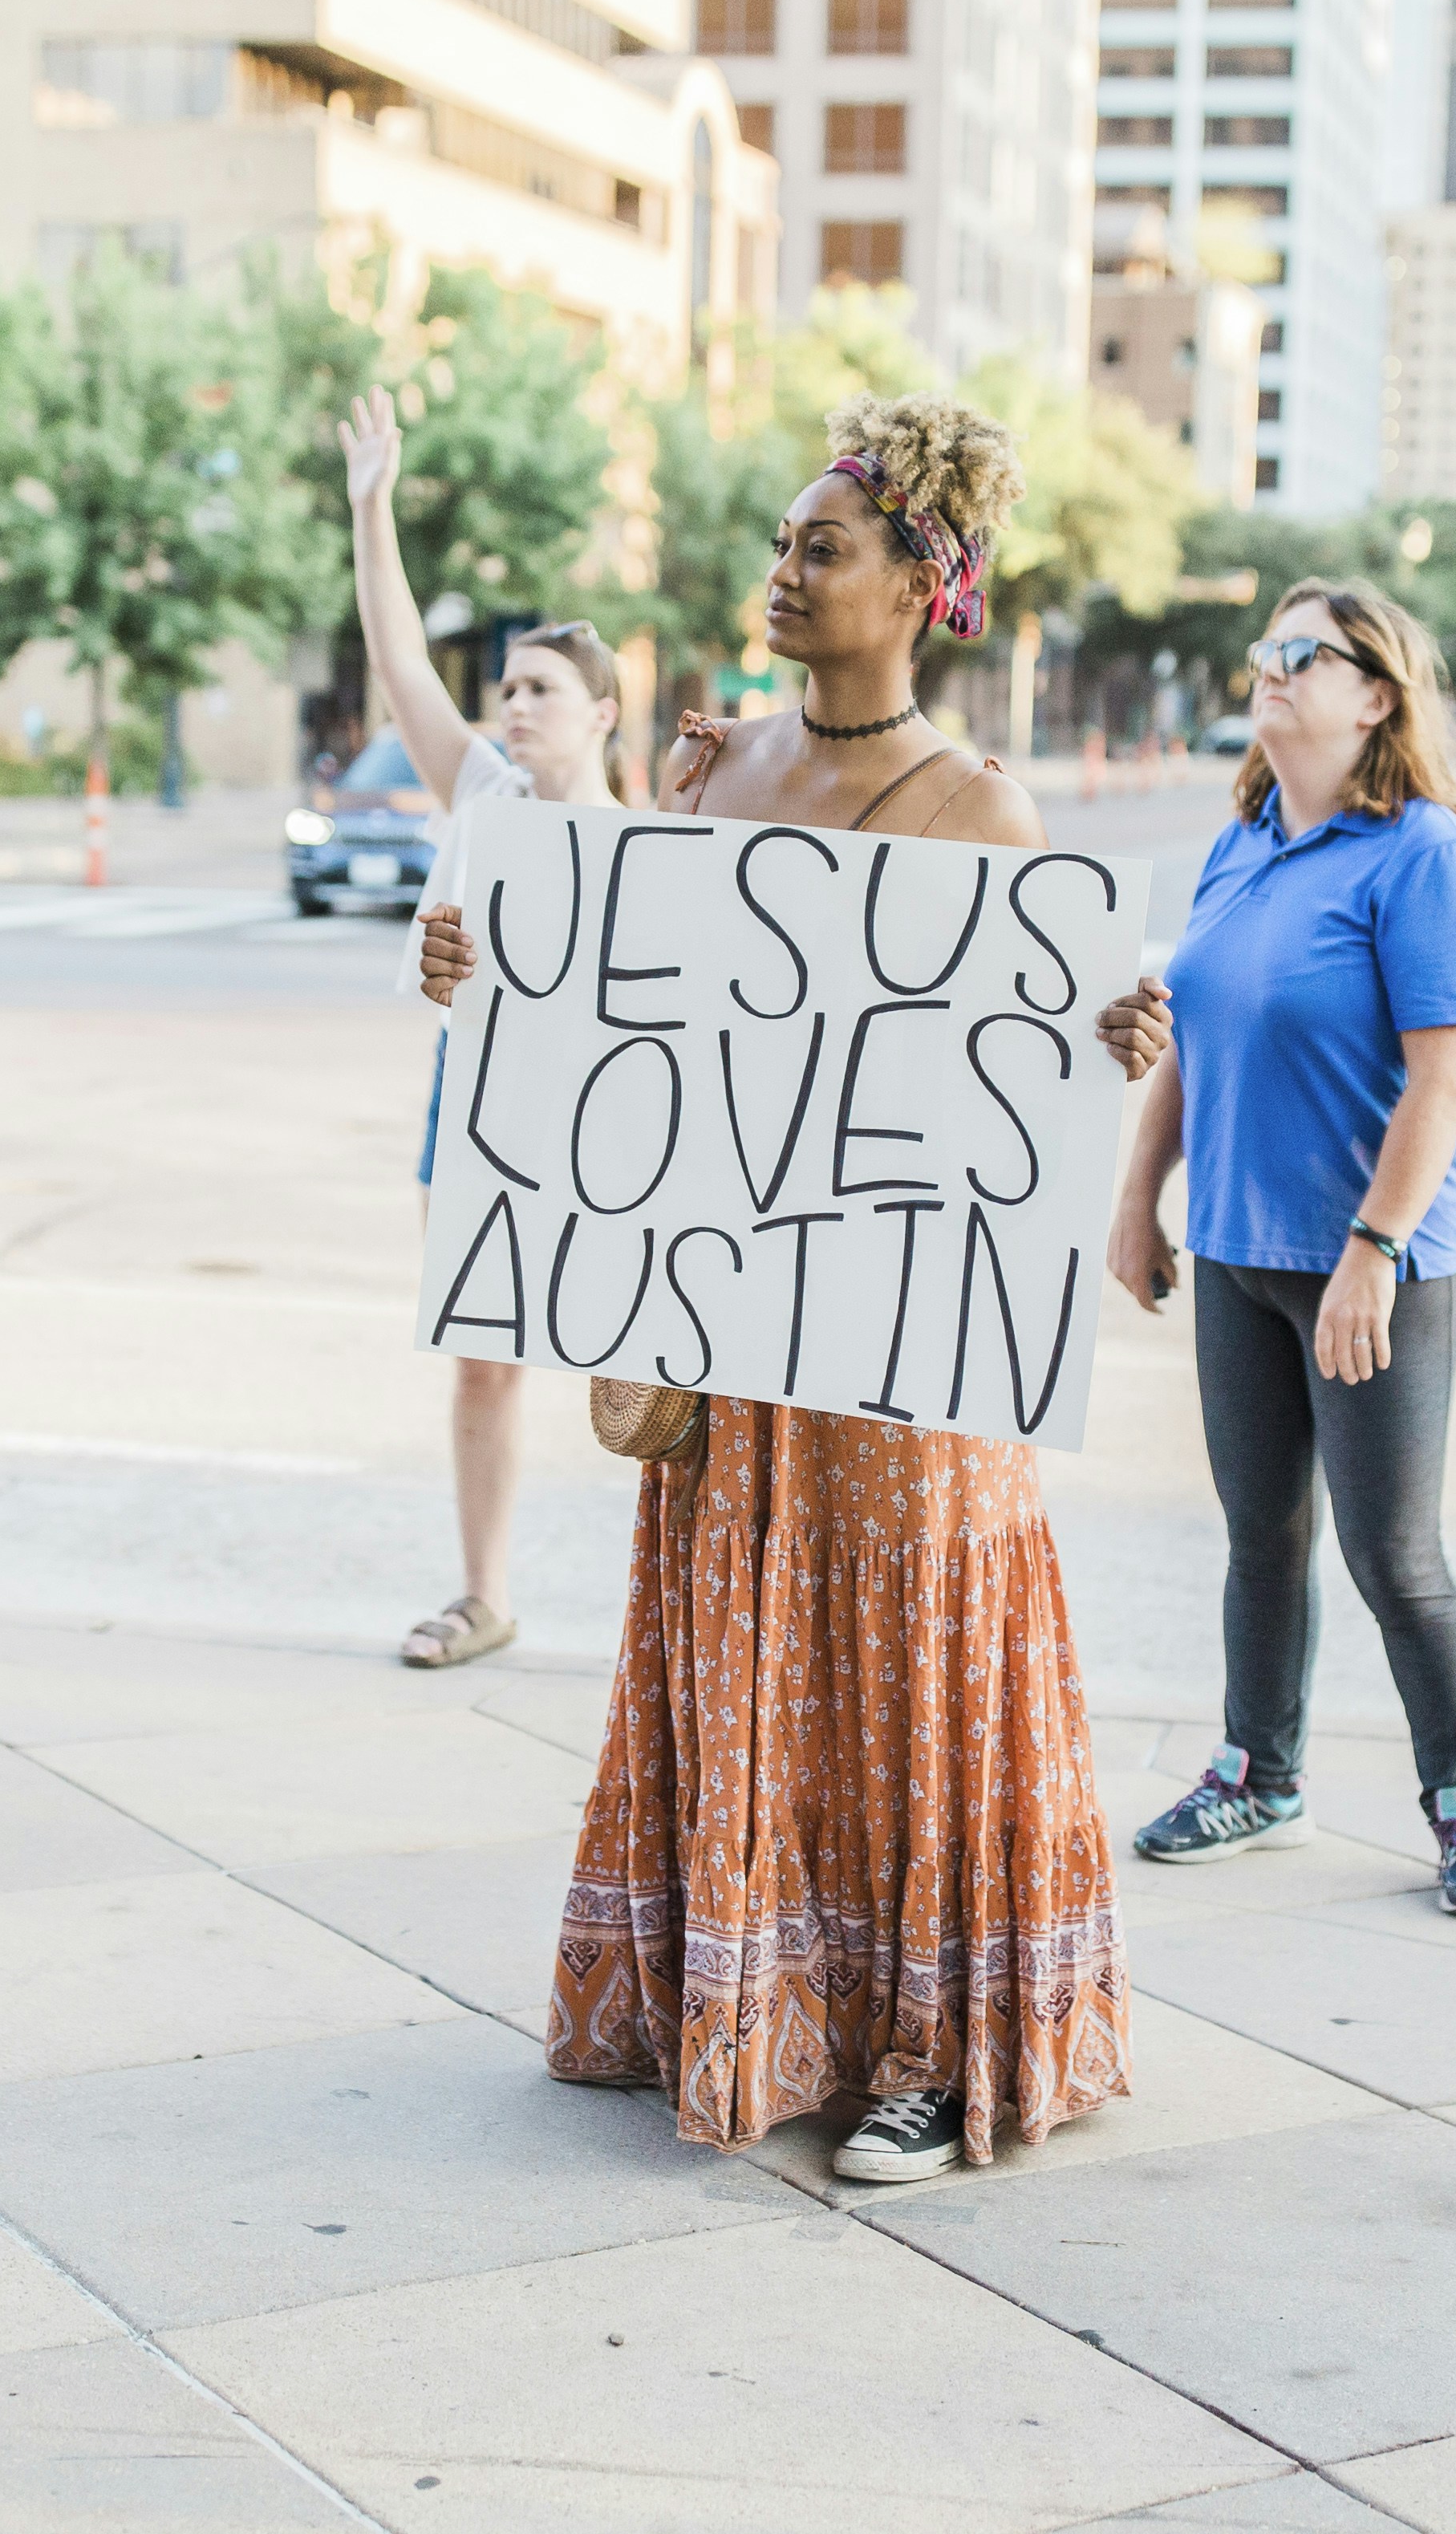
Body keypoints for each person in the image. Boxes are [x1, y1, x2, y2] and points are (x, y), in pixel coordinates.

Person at [416, 393, 1162, 2185]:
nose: (782, 572)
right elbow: (635, 1039)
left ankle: (921, 2043)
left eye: (821, 549)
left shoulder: (984, 806)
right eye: (779, 544)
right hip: (743, 1340)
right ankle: (739, 1994)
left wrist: (1105, 1042)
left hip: (906, 1361)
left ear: (924, 585)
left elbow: (1028, 1059)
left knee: (907, 1656)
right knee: (751, 1639)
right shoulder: (712, 772)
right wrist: (483, 967)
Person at [1108, 583, 1456, 1919]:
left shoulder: (1425, 855)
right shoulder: (1240, 847)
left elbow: (1448, 1078)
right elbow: (1195, 1033)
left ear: (1379, 694)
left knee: (1395, 1554)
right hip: (1235, 1249)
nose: (1268, 671)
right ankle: (1258, 1772)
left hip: (1369, 1263)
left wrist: (1374, 1251)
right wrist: (1138, 1199)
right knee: (1259, 1533)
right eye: (1263, 652)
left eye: (1303, 654)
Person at [338, 382, 625, 1670]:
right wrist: (374, 507)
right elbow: (399, 662)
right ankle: (483, 1591)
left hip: (608, 1126)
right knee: (481, 1359)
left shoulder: (650, 844)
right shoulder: (485, 792)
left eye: (542, 689)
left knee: (646, 1382)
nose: (513, 708)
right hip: (477, 1108)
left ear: (603, 712)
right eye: (507, 688)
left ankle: (679, 1613)